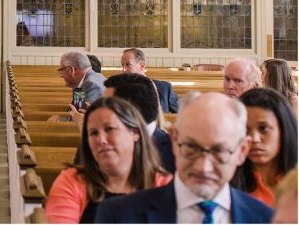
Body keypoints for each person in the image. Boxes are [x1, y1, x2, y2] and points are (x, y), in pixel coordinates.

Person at [96, 92, 274, 224]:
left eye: (219, 151)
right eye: (191, 148)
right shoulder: (118, 215)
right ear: (174, 140)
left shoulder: (267, 219)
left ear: (242, 151)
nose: (203, 167)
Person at [45, 97, 172, 223]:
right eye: (93, 133)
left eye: (109, 129)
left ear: (135, 132)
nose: (101, 140)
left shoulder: (164, 184)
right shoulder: (72, 180)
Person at [231, 88, 297, 207]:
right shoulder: (228, 185)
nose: (255, 139)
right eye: (245, 130)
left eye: (264, 129)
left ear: (283, 129)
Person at [102, 72, 176, 173]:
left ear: (132, 110)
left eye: (107, 106)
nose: (101, 111)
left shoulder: (175, 153)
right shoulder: (100, 144)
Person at [47, 51, 105, 122]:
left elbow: (82, 120)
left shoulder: (91, 85)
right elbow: (77, 112)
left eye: (61, 71)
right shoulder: (86, 81)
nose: (62, 76)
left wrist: (58, 121)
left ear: (71, 70)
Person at [121, 47, 179, 113]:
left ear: (142, 66)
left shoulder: (165, 89)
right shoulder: (120, 90)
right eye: (122, 65)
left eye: (128, 65)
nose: (123, 70)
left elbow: (180, 114)